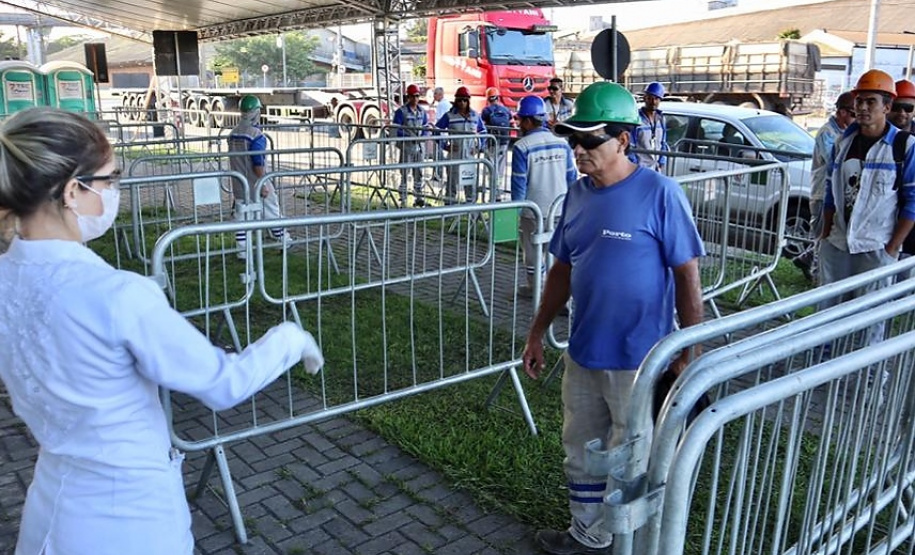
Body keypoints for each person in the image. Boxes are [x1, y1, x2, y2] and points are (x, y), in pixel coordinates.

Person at [0, 107, 326, 555]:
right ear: (73, 191)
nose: (116, 191)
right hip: (130, 518)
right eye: (110, 180)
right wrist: (291, 337)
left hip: (50, 507)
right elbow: (223, 384)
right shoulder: (117, 295)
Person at [521, 82, 705, 555]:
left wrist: (690, 351)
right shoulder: (577, 196)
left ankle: (630, 541)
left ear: (623, 140)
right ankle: (588, 533)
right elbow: (561, 268)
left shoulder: (660, 193)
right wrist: (538, 331)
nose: (578, 150)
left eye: (590, 140)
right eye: (573, 140)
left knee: (631, 455)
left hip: (638, 361)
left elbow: (687, 275)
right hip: (584, 352)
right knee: (580, 447)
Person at [819, 69, 915, 344]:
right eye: (859, 100)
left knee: (871, 319)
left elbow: (912, 202)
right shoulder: (842, 143)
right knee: (827, 315)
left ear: (887, 106)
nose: (862, 107)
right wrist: (825, 236)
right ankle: (822, 370)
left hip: (875, 247)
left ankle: (870, 377)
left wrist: (892, 248)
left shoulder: (904, 147)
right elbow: (830, 193)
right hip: (837, 244)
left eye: (870, 101)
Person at [510, 95, 577, 298]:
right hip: (560, 207)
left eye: (521, 119)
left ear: (529, 121)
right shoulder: (561, 142)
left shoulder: (522, 147)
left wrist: (517, 210)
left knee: (533, 254)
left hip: (533, 210)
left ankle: (536, 291)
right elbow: (571, 176)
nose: (519, 123)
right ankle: (560, 297)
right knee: (557, 255)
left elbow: (519, 183)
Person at [792, 91, 856, 280]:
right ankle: (816, 276)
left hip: (835, 194)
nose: (856, 118)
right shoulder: (828, 133)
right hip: (822, 194)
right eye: (853, 113)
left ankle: (806, 259)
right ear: (842, 112)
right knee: (822, 236)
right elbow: (835, 163)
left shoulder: (844, 132)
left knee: (829, 236)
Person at [227, 95, 292, 259]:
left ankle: (242, 251)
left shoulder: (233, 133)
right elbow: (258, 164)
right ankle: (284, 240)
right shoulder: (256, 135)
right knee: (271, 212)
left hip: (239, 182)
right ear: (256, 112)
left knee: (242, 217)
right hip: (257, 182)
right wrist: (264, 184)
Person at [435, 86, 487, 203]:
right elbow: (436, 130)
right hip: (454, 155)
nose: (462, 103)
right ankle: (449, 208)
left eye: (464, 100)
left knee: (470, 184)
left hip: (469, 156)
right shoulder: (449, 116)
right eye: (459, 100)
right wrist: (445, 145)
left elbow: (483, 132)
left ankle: (470, 209)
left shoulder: (474, 115)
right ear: (456, 100)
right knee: (452, 183)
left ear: (468, 101)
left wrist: (479, 147)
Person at [392, 83, 429, 207]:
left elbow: (426, 128)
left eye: (417, 96)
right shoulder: (401, 112)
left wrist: (423, 137)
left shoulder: (422, 112)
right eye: (413, 96)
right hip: (406, 147)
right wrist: (409, 137)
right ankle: (402, 199)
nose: (415, 99)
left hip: (419, 147)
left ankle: (418, 197)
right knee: (404, 172)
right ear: (408, 97)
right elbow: (396, 129)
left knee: (418, 172)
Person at [480, 86, 513, 198]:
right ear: (498, 97)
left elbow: (481, 126)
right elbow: (512, 123)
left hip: (491, 143)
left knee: (491, 167)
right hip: (504, 142)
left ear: (488, 99)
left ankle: (492, 193)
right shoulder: (506, 110)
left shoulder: (486, 110)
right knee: (500, 168)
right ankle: (498, 192)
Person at [632, 81, 669, 171]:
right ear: (645, 98)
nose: (653, 102)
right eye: (650, 98)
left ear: (660, 100)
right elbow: (631, 146)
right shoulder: (636, 119)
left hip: (655, 169)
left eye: (656, 98)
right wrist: (634, 166)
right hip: (640, 169)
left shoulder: (661, 119)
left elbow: (663, 143)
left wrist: (662, 161)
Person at [431, 86, 452, 182]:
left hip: (441, 134)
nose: (434, 96)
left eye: (435, 94)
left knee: (439, 154)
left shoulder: (441, 105)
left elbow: (439, 121)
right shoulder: (447, 104)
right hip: (446, 133)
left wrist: (434, 130)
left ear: (440, 94)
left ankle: (438, 174)